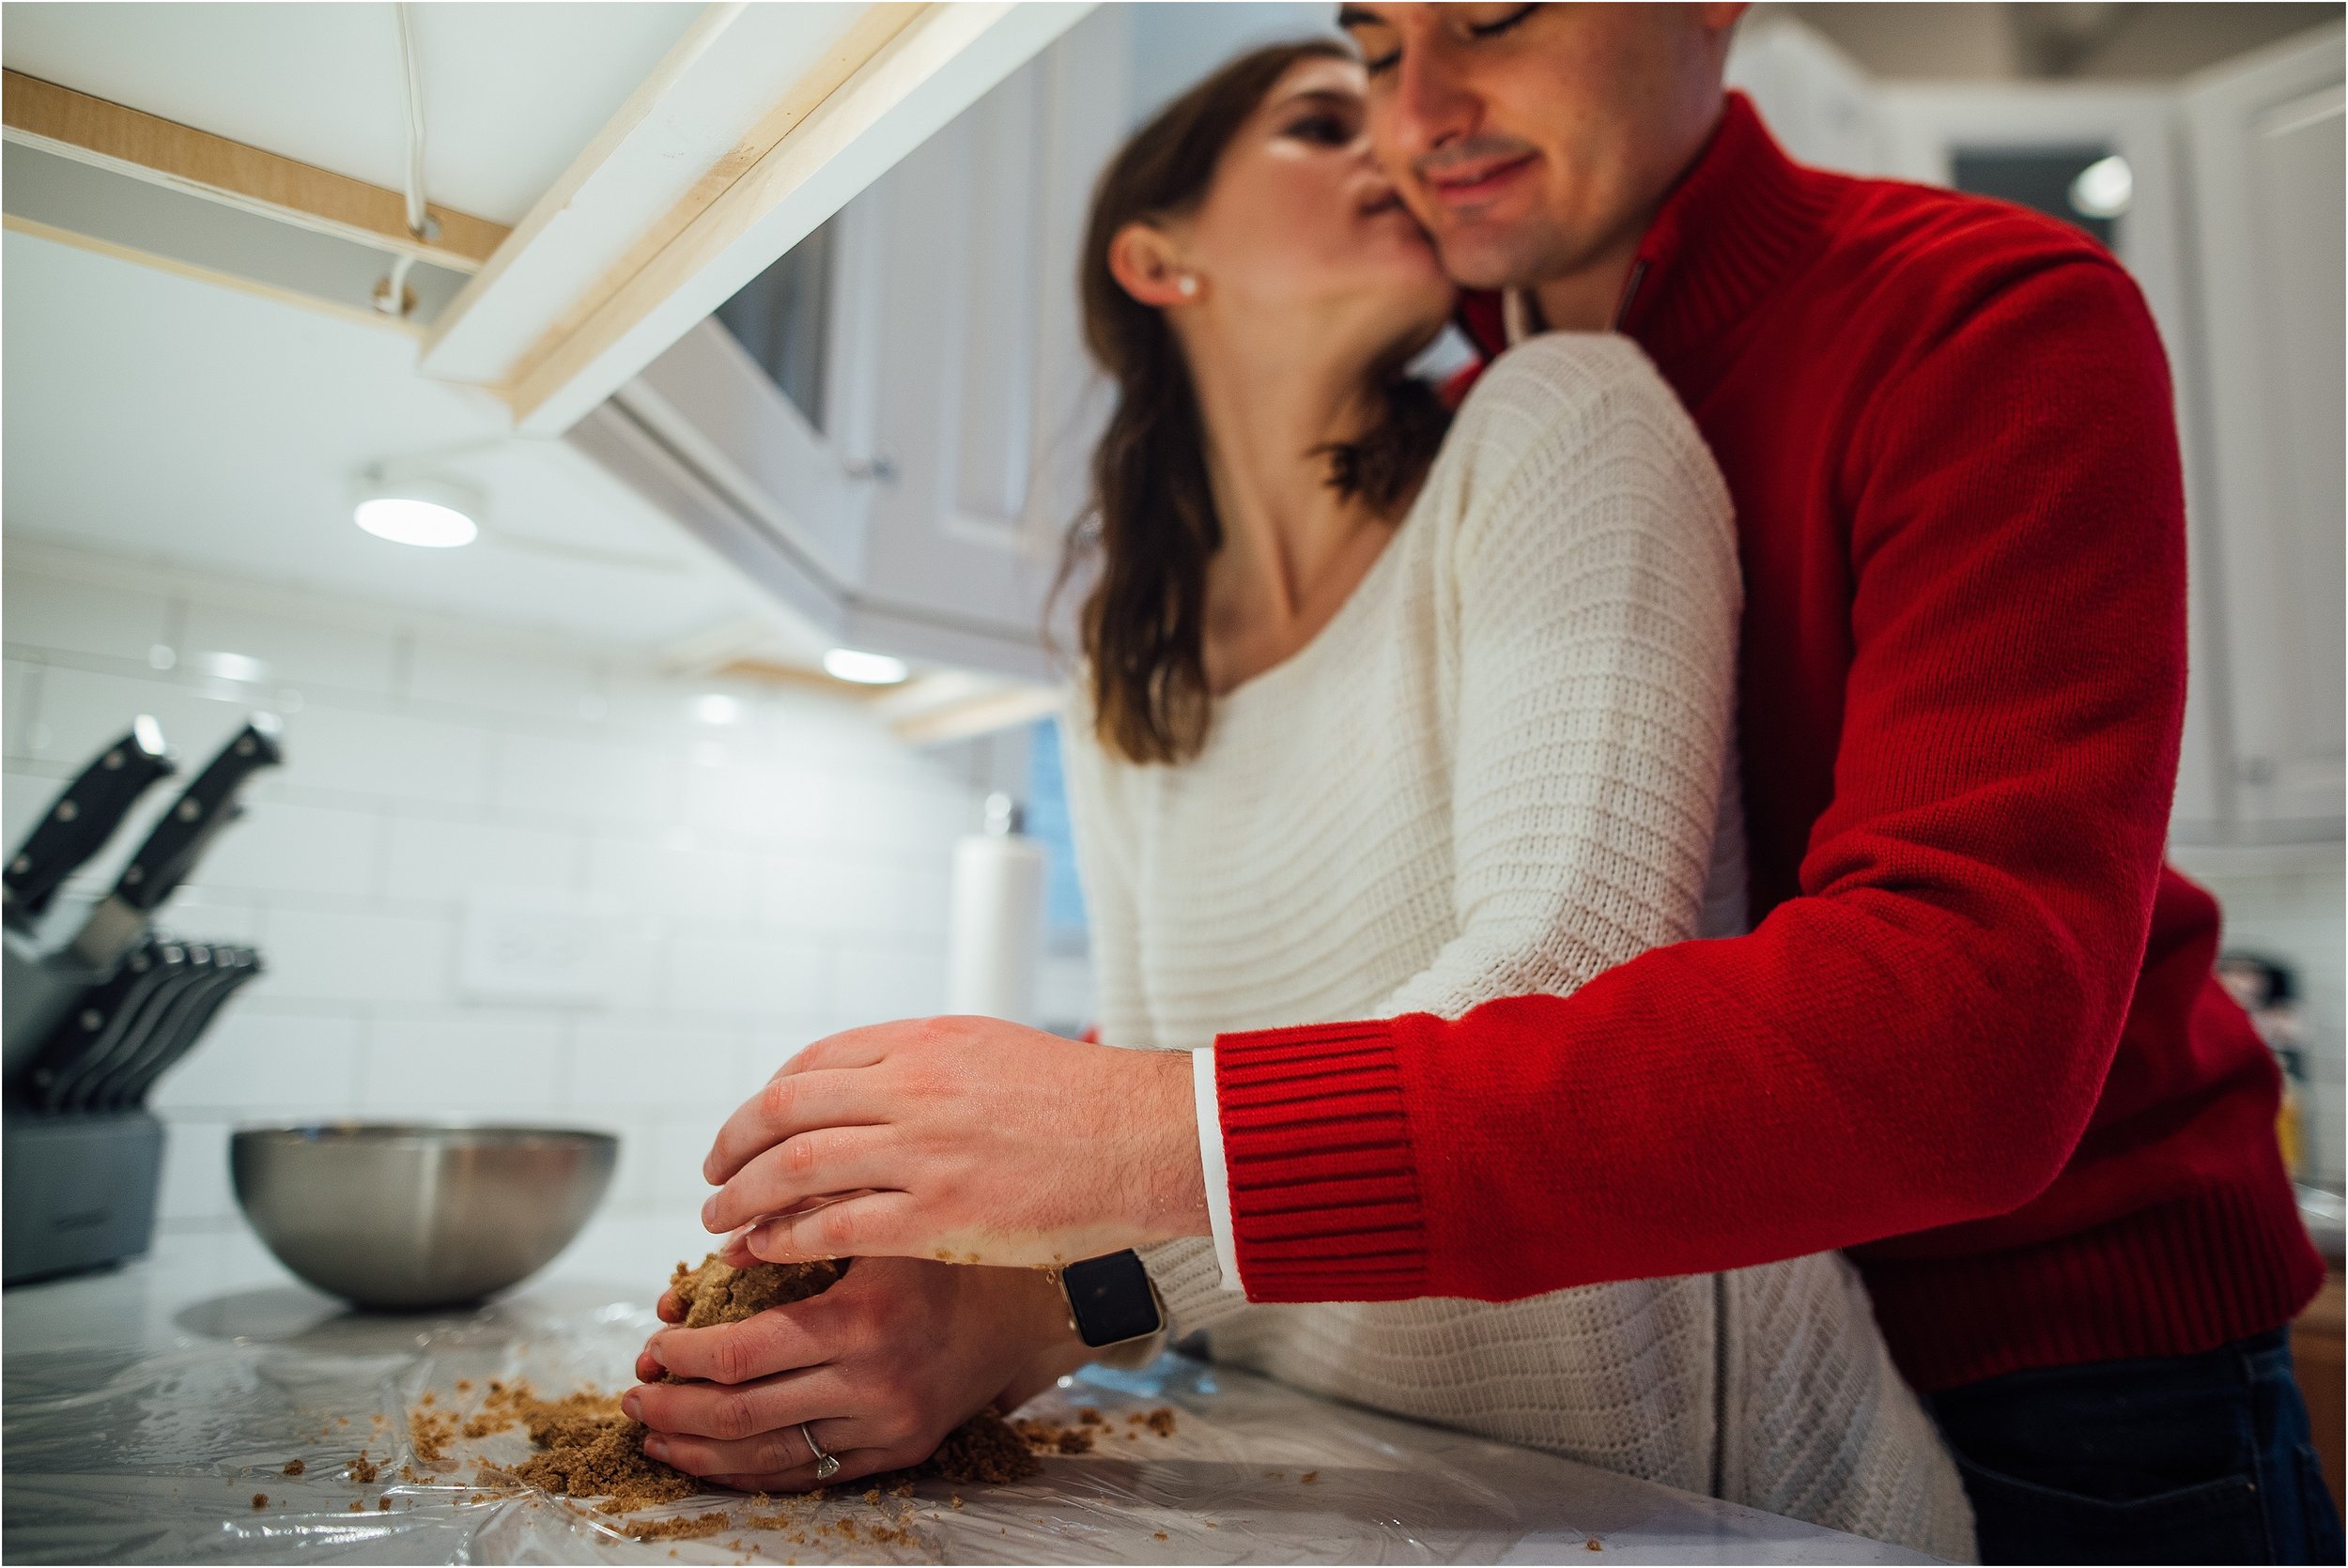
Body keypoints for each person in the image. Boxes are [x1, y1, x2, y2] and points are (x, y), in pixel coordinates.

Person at [645, 8, 2341, 1562]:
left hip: (2069, 1361)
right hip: (1622, 1347)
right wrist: (1033, 1278)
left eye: (1499, 12)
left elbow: (1963, 1023)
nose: (1417, 114)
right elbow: (1336, 1020)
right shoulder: (1428, 420)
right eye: (1375, 44)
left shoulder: (1969, 319)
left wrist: (1133, 1174)